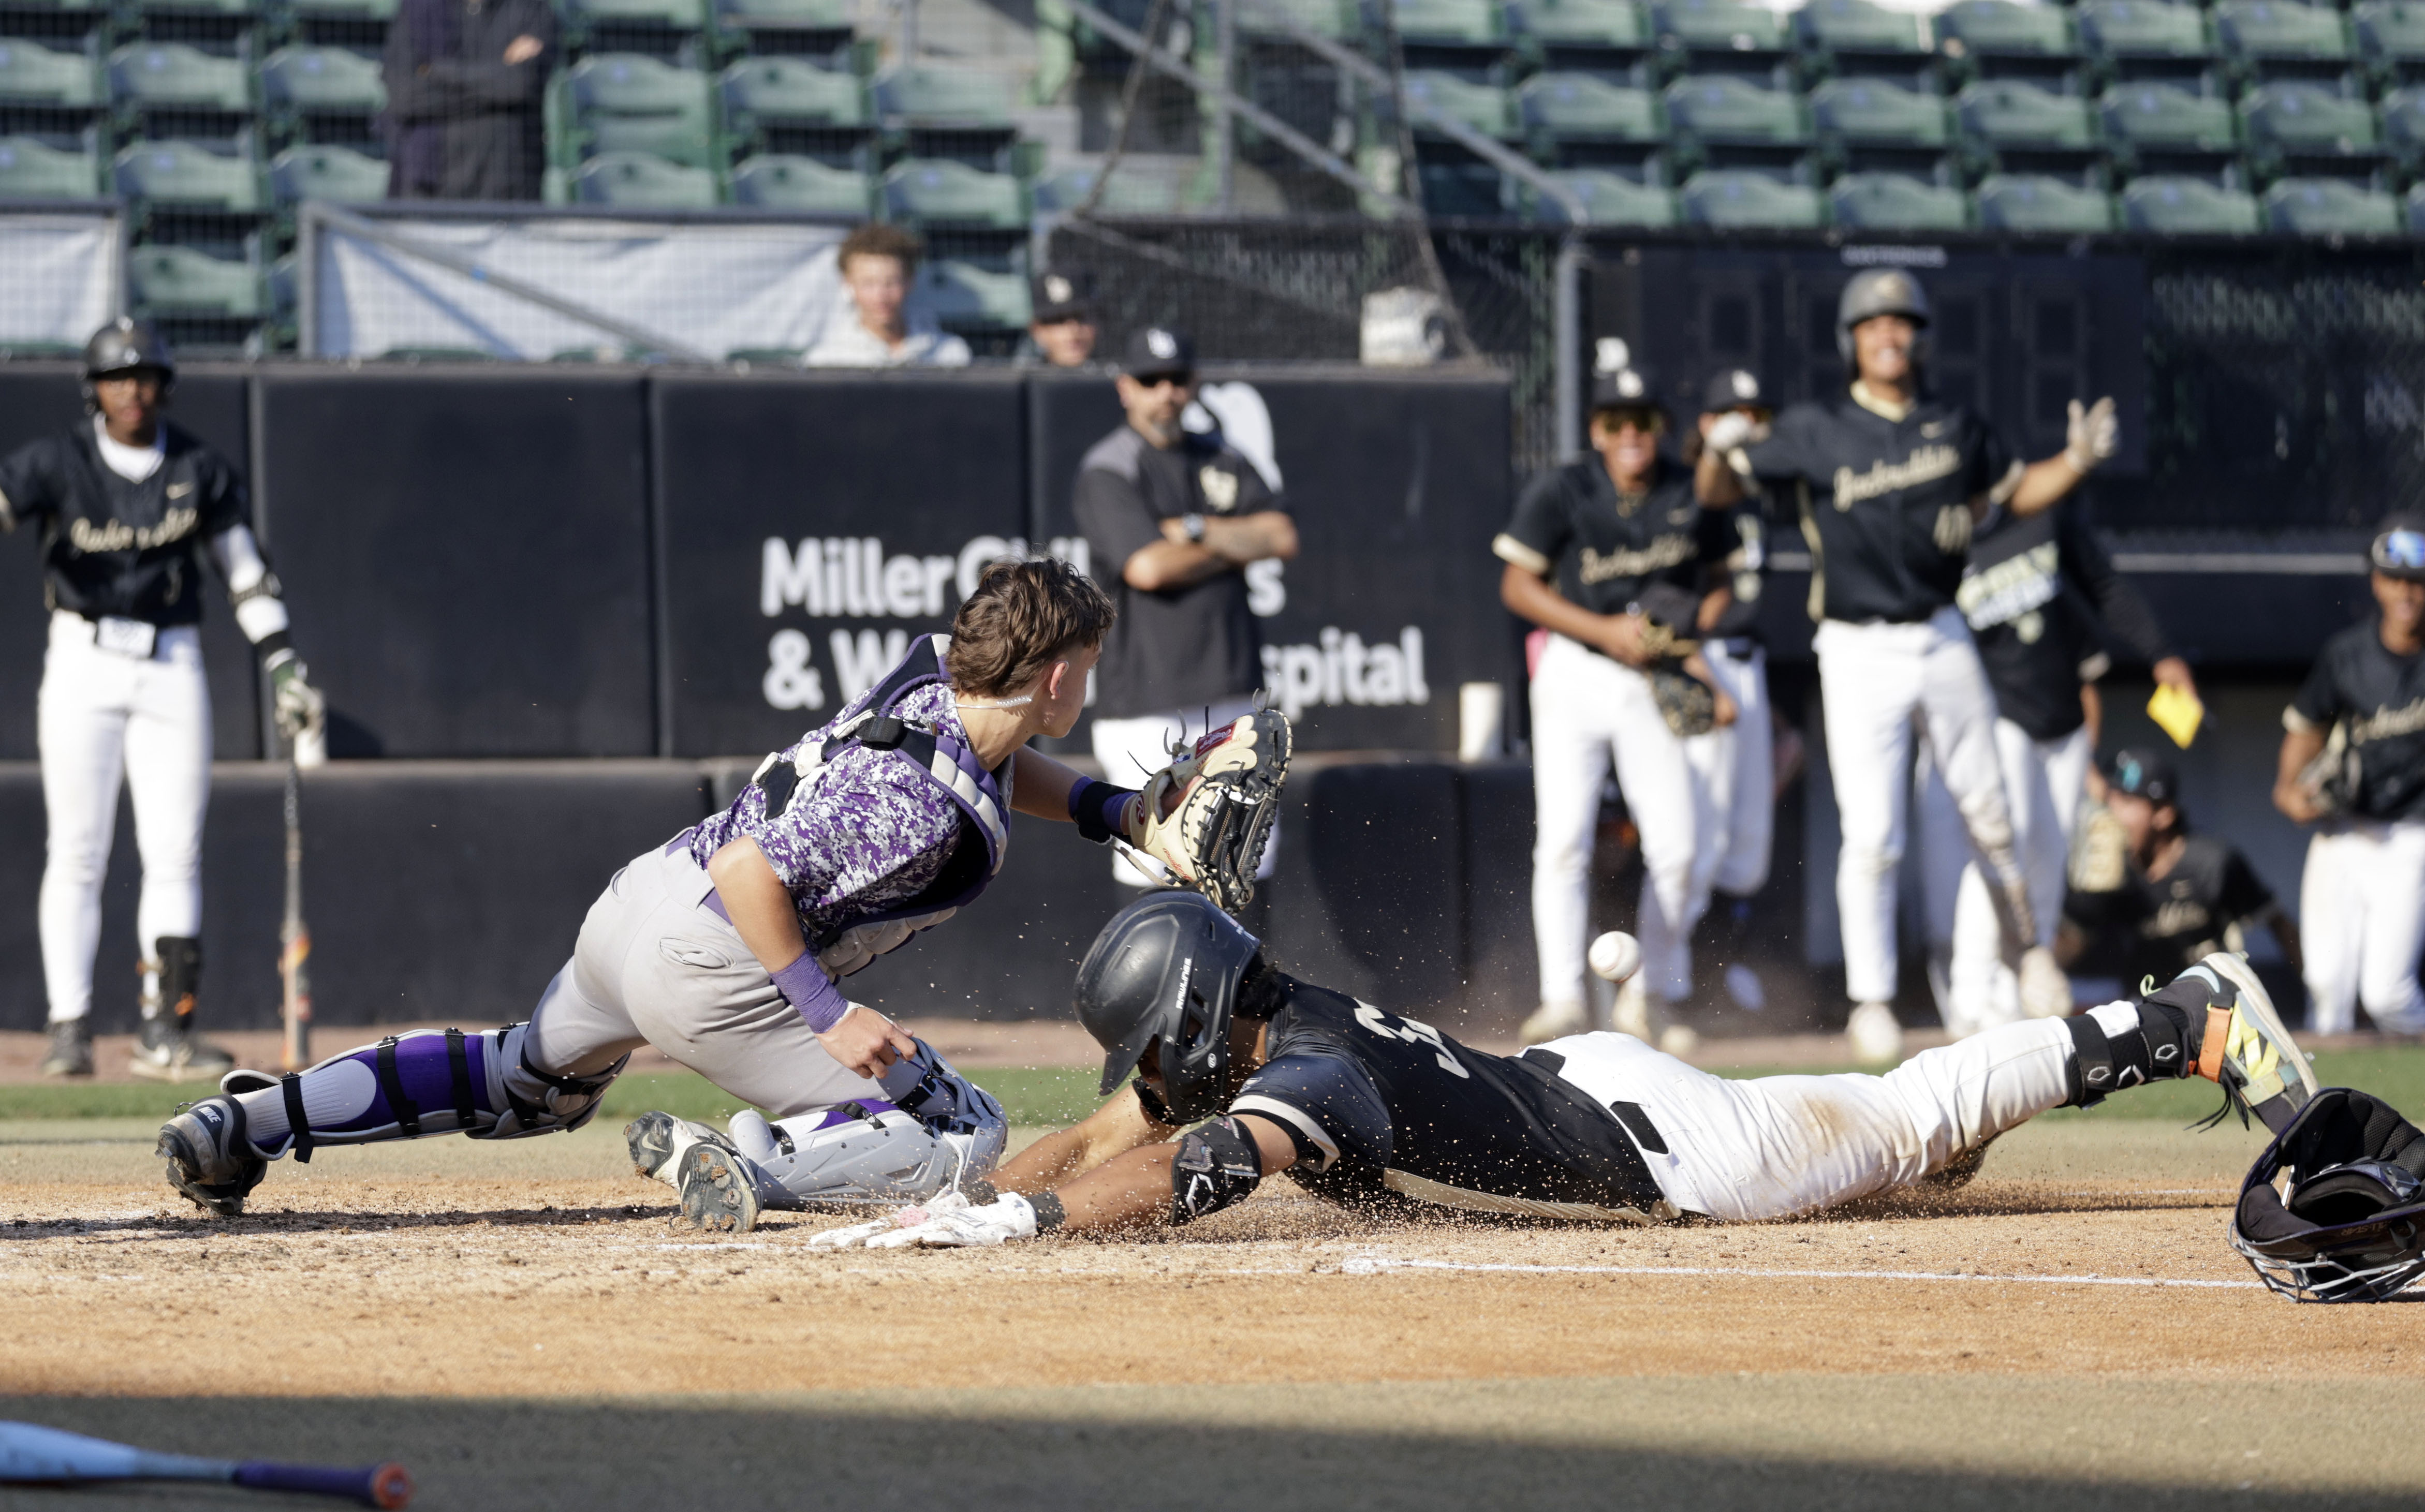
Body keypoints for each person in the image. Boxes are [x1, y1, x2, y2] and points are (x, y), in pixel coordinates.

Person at [152, 560, 1277, 1223]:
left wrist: (1114, 812)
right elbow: (760, 876)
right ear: (1057, 676)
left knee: (519, 1082)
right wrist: (826, 1016)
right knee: (962, 1133)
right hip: (720, 950)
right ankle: (752, 1163)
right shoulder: (913, 810)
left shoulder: (939, 671)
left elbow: (990, 758)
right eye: (1085, 662)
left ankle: (247, 1121)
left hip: (644, 896)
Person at [805, 890, 2318, 1250]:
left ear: (1200, 1022)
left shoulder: (1311, 1075)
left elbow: (1185, 1167)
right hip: (1581, 1073)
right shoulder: (1272, 1017)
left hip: (1679, 1150)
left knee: (1913, 1102)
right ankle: (1964, 1125)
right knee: (1901, 1125)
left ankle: (2183, 1014)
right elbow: (1108, 1123)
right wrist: (971, 1191)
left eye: (1156, 1043)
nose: (1146, 1072)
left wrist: (1039, 1226)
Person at [1696, 268, 2120, 1062]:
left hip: (1942, 630)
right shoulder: (1816, 428)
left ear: (1918, 336)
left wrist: (2077, 459)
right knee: (1874, 835)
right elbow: (1719, 492)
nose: (1888, 334)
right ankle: (1872, 1002)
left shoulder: (1953, 422)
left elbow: (2019, 490)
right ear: (1852, 341)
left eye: (1901, 322)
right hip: (1857, 646)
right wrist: (1718, 450)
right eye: (1873, 324)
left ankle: (2030, 953)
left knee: (1991, 816)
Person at [0, 319, 324, 1082]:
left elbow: (245, 572)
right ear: (93, 388)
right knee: (78, 848)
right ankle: (70, 1025)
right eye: (117, 376)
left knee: (174, 848)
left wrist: (281, 661)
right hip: (82, 656)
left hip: (170, 661)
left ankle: (166, 1028)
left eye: (144, 375)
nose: (131, 389)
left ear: (164, 385)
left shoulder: (198, 468)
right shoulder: (57, 460)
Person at [1500, 358, 1732, 1049]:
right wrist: (1603, 629)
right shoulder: (1566, 487)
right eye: (1615, 421)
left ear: (1660, 427)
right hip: (1576, 667)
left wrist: (1690, 633)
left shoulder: (1688, 490)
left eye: (1643, 421)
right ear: (1597, 429)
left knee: (1680, 848)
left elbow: (1721, 581)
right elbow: (1517, 584)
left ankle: (1648, 995)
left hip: (1650, 678)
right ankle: (1563, 998)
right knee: (1565, 840)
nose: (1631, 433)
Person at [1916, 502, 2194, 1036]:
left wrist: (2159, 653)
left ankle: (2023, 990)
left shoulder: (2041, 527)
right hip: (1997, 720)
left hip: (2061, 727)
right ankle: (1971, 998)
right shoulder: (1943, 544)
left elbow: (2103, 600)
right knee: (2001, 849)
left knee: (2047, 858)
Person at [1077, 325, 1298, 890]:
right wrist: (1230, 548)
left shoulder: (1221, 457)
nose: (1165, 392)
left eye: (1176, 379)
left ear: (1193, 384)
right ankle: (1147, 985)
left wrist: (1193, 532)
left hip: (1229, 687)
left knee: (1241, 856)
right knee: (1154, 859)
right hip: (1146, 700)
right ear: (1126, 387)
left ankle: (1243, 983)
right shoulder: (1110, 466)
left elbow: (1279, 536)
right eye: (1150, 381)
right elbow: (1147, 568)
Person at [2274, 515, 2425, 1036]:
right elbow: (2305, 726)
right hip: (2340, 830)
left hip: (2408, 833)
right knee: (2325, 984)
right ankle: (2328, 1112)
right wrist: (2288, 788)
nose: (2407, 592)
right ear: (2376, 582)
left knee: (2387, 995)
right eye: (2395, 579)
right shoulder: (2347, 654)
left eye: (2417, 581)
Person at [1684, 368, 1783, 1007]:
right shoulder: (1693, 491)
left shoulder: (1765, 494)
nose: (1746, 423)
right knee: (1696, 833)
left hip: (1751, 667)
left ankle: (1719, 970)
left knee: (1748, 842)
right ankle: (1675, 982)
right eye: (1731, 413)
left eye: (1755, 413)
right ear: (1706, 425)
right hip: (1701, 663)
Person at [2062, 747, 2300, 998]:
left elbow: (2277, 922)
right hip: (2144, 1008)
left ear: (2164, 814)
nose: (2113, 813)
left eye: (2127, 802)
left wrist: (2316, 995)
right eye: (2111, 800)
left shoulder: (2212, 863)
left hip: (2212, 1004)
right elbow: (2072, 944)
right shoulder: (2112, 874)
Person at [381, 0, 554, 201]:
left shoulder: (531, 8)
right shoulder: (419, 9)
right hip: (430, 193)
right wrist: (499, 72)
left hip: (507, 194)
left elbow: (519, 84)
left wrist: (436, 72)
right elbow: (403, 96)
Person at [803, 224, 972, 369]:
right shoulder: (826, 362)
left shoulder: (951, 354)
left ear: (909, 281)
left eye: (891, 283)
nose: (881, 296)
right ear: (848, 283)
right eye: (868, 284)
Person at [1020, 270, 1100, 368]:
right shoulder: (1023, 381)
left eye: (1081, 318)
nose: (1073, 331)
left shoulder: (1117, 378)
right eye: (1059, 320)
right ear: (1037, 330)